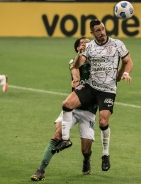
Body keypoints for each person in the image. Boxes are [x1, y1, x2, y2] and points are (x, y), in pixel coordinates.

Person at [54, 19, 133, 172]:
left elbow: (128, 61)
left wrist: (126, 72)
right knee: (66, 104)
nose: (102, 32)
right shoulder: (89, 47)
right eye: (98, 30)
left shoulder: (117, 44)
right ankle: (65, 139)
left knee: (103, 122)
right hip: (91, 86)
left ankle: (105, 154)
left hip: (108, 89)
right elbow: (77, 65)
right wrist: (80, 52)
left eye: (102, 29)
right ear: (92, 33)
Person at [30, 37, 98, 181]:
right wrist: (76, 79)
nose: (85, 43)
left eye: (88, 41)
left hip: (89, 112)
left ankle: (86, 160)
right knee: (57, 136)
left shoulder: (98, 61)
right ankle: (40, 171)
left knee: (86, 149)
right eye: (82, 43)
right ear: (77, 48)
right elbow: (75, 71)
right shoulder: (73, 62)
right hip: (71, 108)